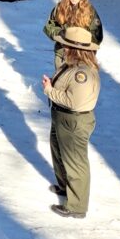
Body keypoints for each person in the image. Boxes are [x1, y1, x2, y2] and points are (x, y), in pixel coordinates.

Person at [43, 26, 101, 218]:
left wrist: (50, 90)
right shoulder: (71, 65)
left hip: (73, 120)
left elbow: (74, 101)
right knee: (58, 152)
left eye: (64, 44)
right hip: (62, 116)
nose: (61, 46)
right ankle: (64, 186)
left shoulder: (81, 73)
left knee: (75, 162)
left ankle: (76, 206)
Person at [43, 0, 103, 70]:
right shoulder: (59, 8)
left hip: (82, 57)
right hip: (62, 54)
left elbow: (97, 36)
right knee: (60, 82)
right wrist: (59, 33)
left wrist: (82, 43)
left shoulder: (90, 12)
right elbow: (49, 26)